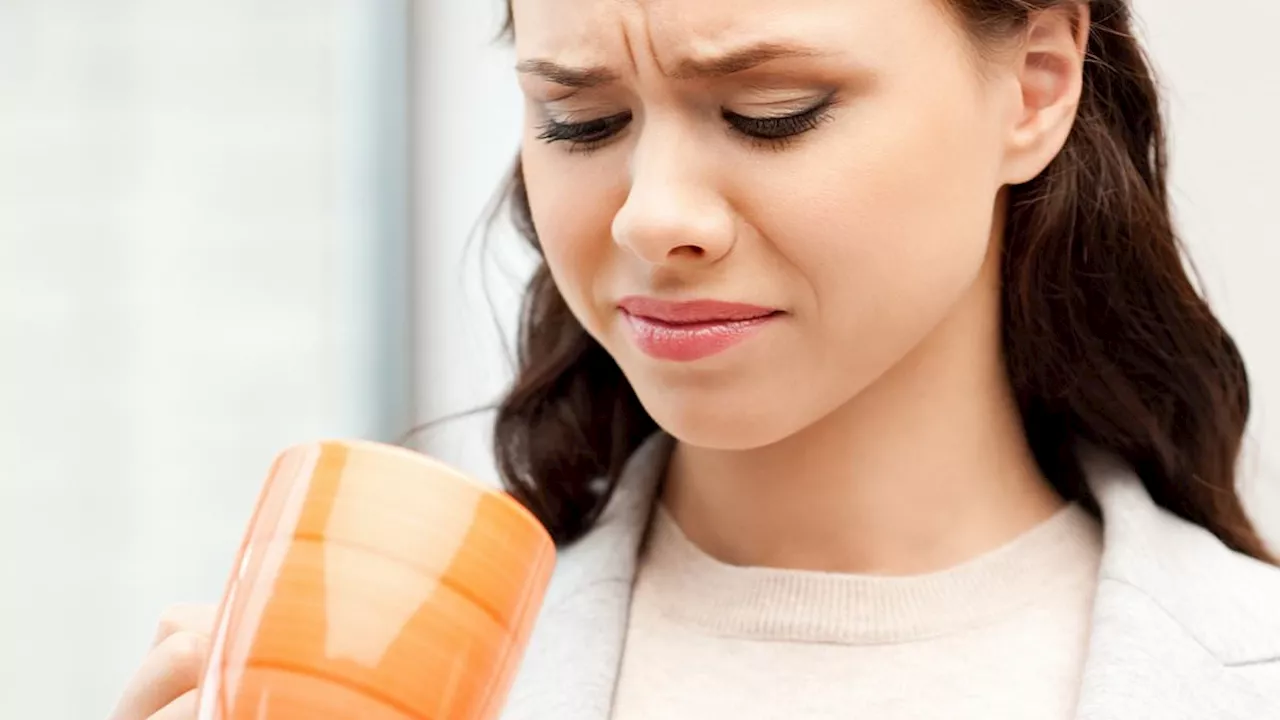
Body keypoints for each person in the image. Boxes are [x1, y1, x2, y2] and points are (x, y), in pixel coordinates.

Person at [110, 0, 1280, 718]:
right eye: (580, 121)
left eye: (770, 110)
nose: (648, 216)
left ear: (1035, 84)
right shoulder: (391, 680)